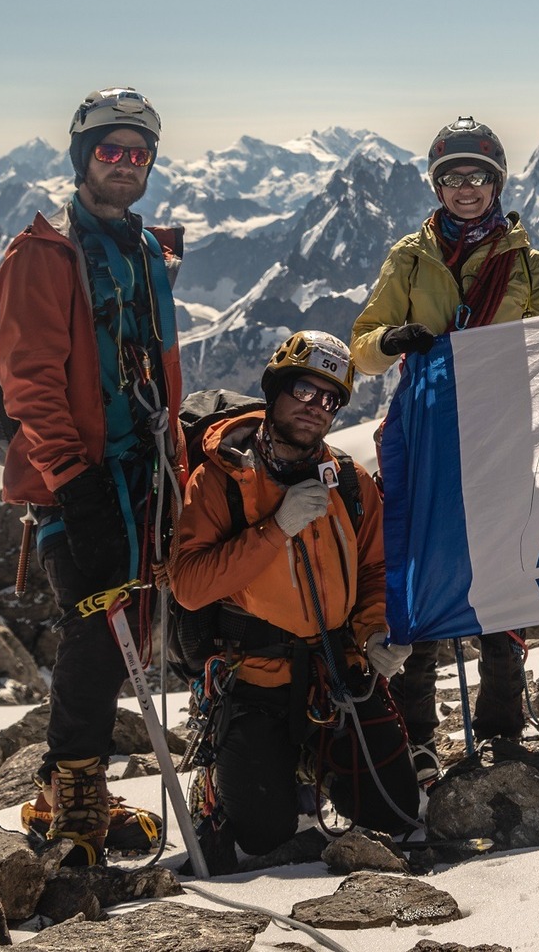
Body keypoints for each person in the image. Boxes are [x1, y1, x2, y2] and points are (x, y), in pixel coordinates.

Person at [351, 116, 539, 769]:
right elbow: (363, 343)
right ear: (438, 185)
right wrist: (392, 340)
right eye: (454, 177)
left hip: (496, 436)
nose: (467, 188)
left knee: (501, 570)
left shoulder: (521, 262)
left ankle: (501, 720)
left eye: (478, 176)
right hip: (428, 434)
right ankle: (414, 730)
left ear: (495, 183)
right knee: (423, 568)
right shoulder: (408, 260)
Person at [0, 87, 184, 864]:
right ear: (83, 158)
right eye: (110, 150)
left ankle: (74, 788)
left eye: (138, 153)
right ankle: (73, 797)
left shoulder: (147, 251)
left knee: (132, 630)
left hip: (144, 475)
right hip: (78, 479)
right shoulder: (42, 253)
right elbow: (30, 378)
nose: (125, 164)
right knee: (94, 630)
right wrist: (72, 479)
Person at [169, 332, 421, 867]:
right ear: (275, 391)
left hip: (338, 672)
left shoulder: (350, 483)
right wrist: (275, 529)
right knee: (262, 836)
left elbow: (374, 570)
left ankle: (312, 762)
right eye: (305, 390)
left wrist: (375, 631)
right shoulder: (221, 479)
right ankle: (247, 775)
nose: (316, 408)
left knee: (396, 812)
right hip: (254, 677)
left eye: (330, 400)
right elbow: (189, 585)